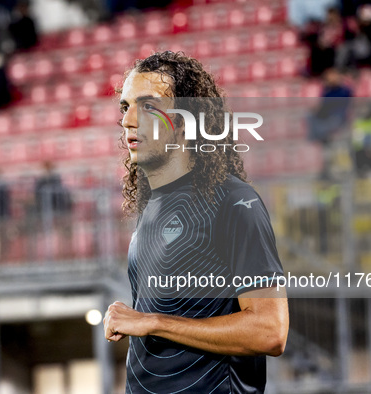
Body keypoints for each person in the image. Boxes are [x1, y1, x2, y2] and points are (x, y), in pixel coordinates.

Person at [103, 51, 289, 393]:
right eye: (125, 107)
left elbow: (270, 331)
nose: (129, 120)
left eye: (148, 106)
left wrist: (153, 322)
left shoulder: (233, 201)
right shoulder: (150, 208)